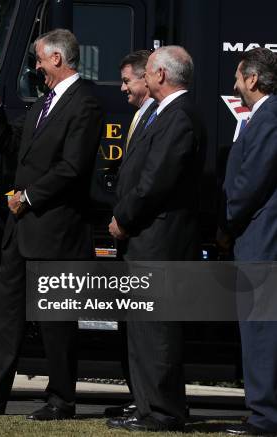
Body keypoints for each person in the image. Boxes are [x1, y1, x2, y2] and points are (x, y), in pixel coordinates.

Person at [0, 29, 103, 420]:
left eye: (40, 60)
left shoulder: (85, 104)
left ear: (58, 60)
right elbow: (13, 148)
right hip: (21, 231)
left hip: (56, 230)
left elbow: (73, 168)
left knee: (56, 322)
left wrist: (28, 197)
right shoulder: (45, 103)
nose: (36, 66)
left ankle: (61, 400)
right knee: (5, 316)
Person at [107, 46, 205, 432]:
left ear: (161, 75)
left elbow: (155, 182)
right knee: (143, 330)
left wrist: (124, 219)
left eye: (146, 72)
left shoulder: (180, 116)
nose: (143, 79)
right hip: (147, 238)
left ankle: (163, 413)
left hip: (158, 239)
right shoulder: (165, 115)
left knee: (157, 330)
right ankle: (149, 410)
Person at [221, 47, 277, 436]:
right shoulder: (263, 116)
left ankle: (265, 417)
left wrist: (226, 218)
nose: (235, 84)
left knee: (261, 330)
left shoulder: (269, 117)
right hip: (255, 235)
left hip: (261, 237)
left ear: (253, 80)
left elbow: (250, 181)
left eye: (239, 77)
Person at [103, 49, 157, 419]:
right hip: (129, 234)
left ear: (147, 78)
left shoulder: (162, 117)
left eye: (126, 80)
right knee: (129, 327)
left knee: (148, 331)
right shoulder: (140, 115)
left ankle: (148, 401)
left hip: (143, 233)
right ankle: (138, 396)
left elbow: (151, 179)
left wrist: (122, 215)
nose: (121, 88)